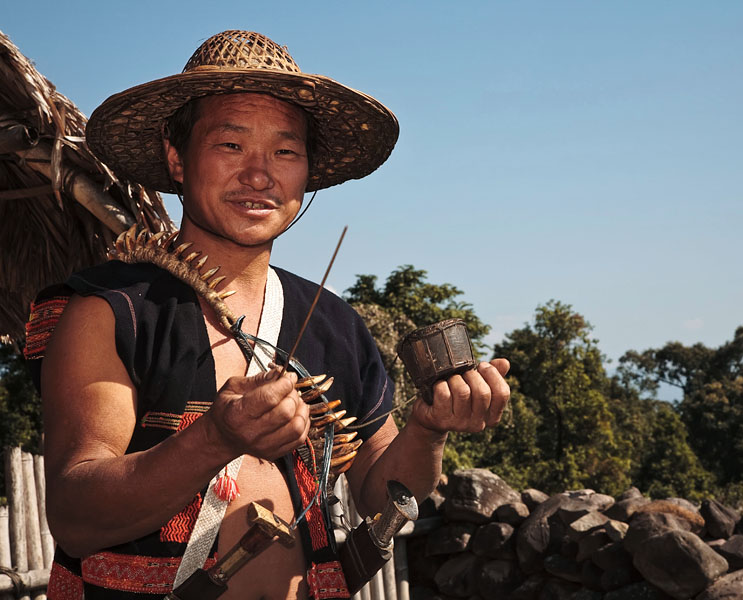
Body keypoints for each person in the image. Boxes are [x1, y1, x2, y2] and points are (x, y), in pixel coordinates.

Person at [25, 30, 510, 600]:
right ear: (177, 158)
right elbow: (77, 515)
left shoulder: (334, 323)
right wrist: (214, 438)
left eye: (285, 152)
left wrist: (428, 431)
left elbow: (382, 494)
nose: (259, 175)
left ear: (307, 174)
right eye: (231, 146)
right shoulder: (112, 310)